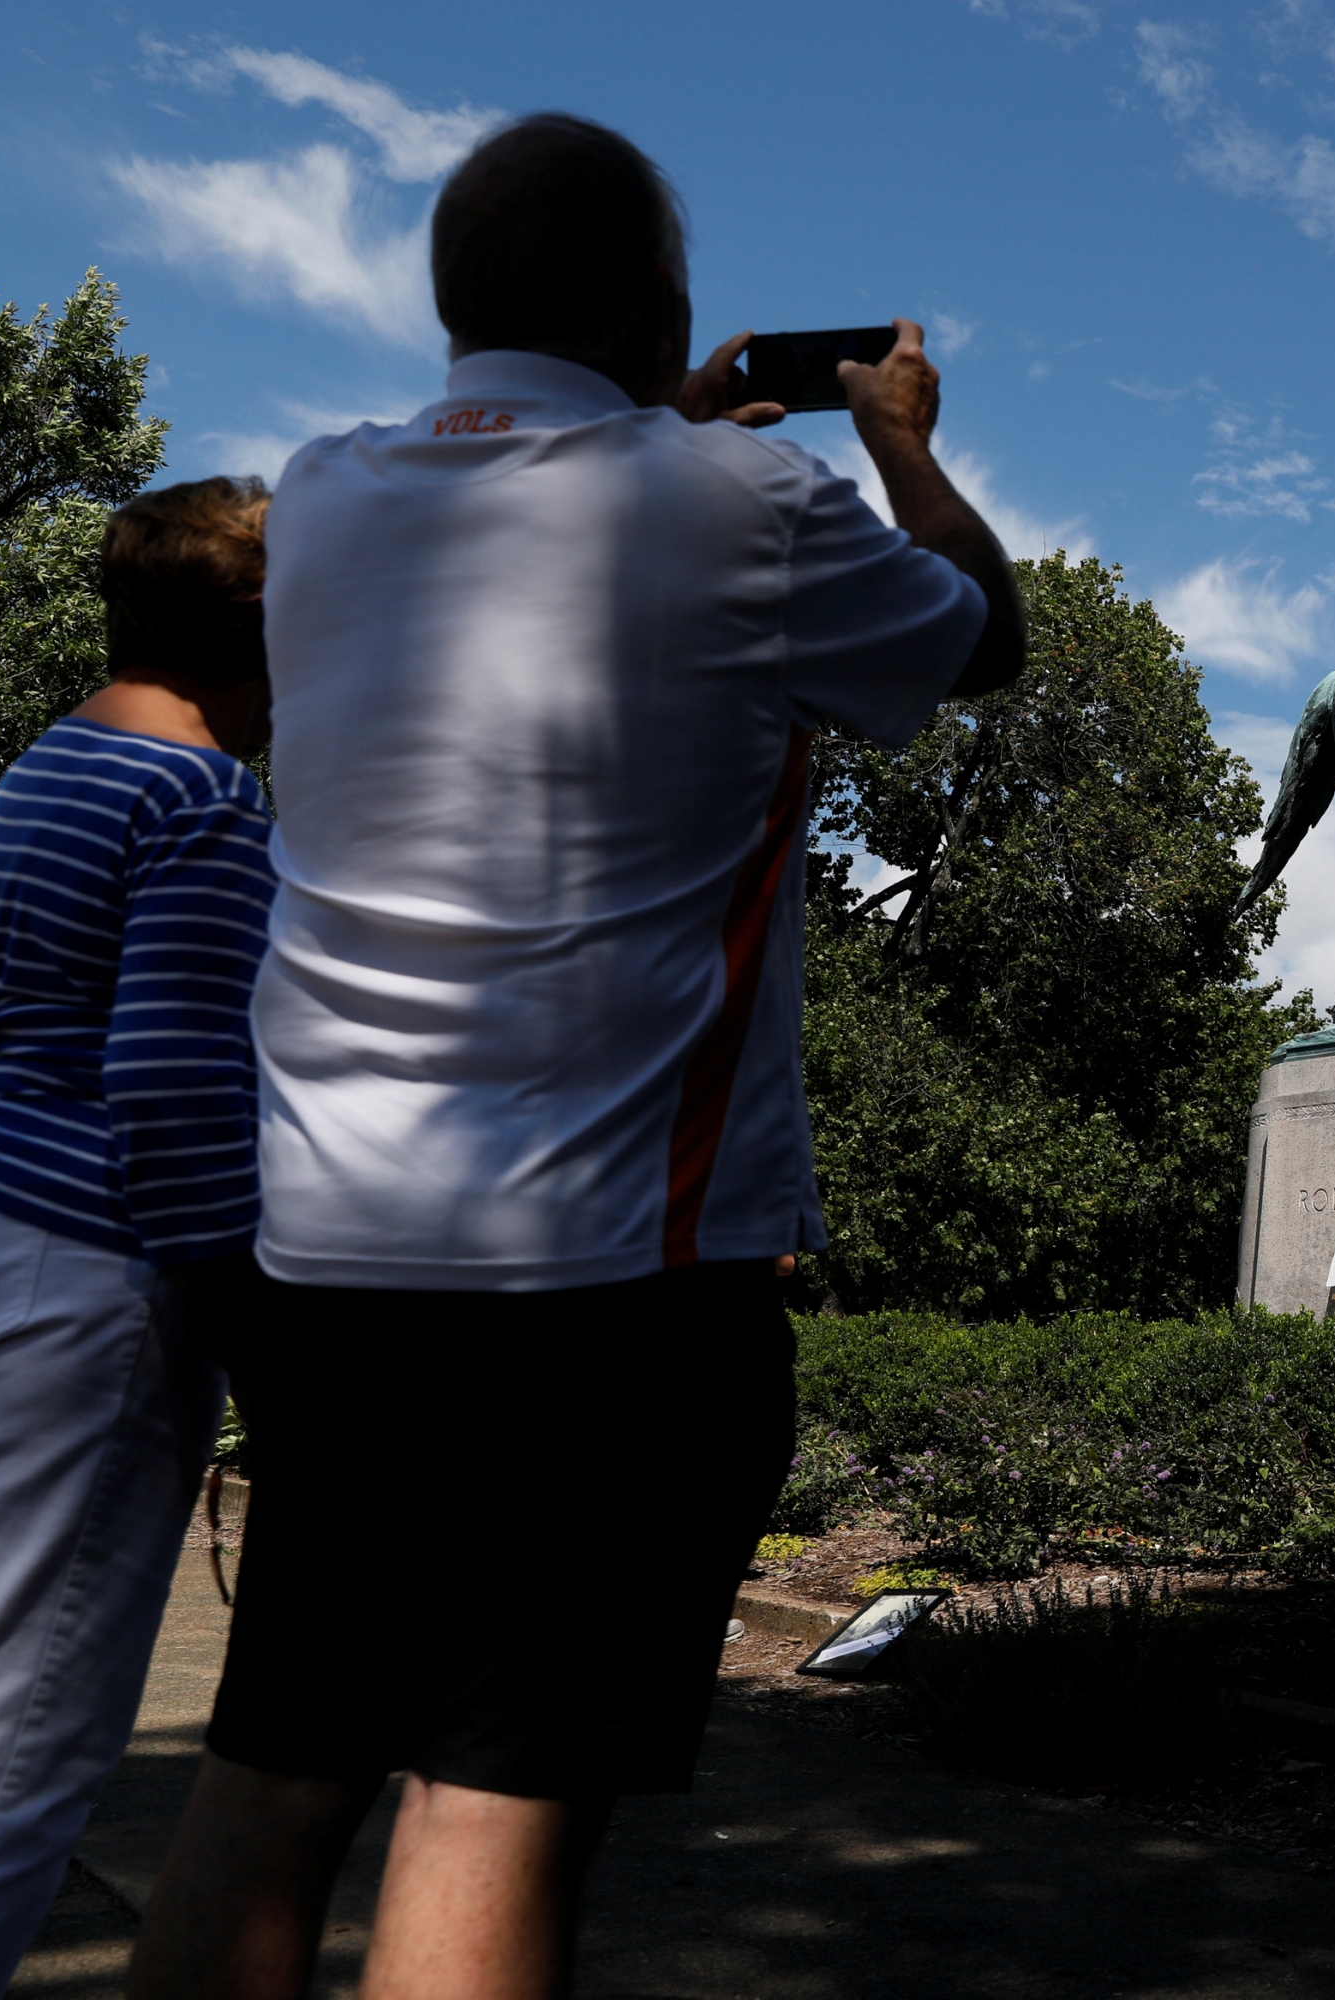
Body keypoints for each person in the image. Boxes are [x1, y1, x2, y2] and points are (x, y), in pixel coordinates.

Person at [125, 114, 1023, 2000]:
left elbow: (555, 509)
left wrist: (653, 421)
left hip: (336, 1269)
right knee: (486, 1806)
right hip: (613, 1287)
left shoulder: (328, 495)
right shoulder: (750, 515)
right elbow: (979, 641)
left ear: (459, 305)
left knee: (273, 1777)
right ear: (660, 309)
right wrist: (898, 443)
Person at [0, 477, 277, 2000]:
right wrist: (272, 1354)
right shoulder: (200, 802)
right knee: (4, 1755)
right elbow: (182, 1094)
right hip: (84, 1282)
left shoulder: (45, 766)